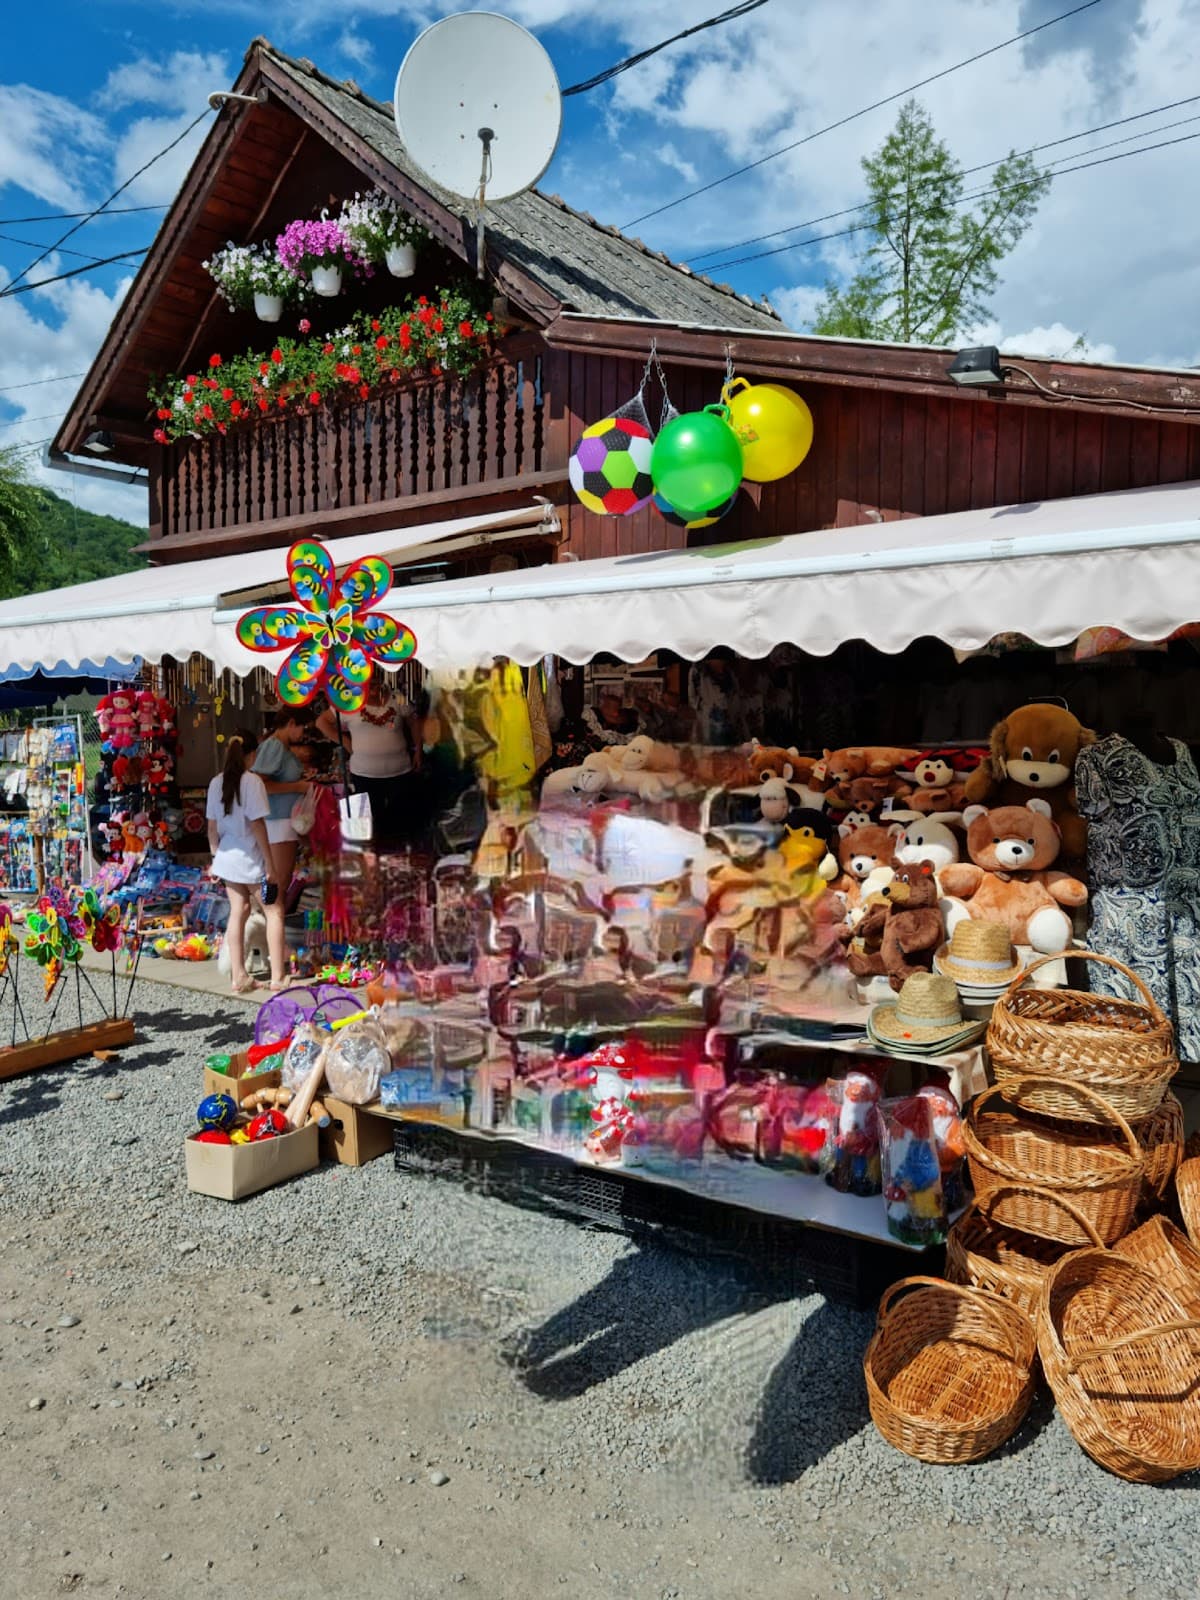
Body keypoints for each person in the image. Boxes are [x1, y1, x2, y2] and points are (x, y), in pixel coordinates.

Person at [206, 730, 278, 997]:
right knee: (274, 911)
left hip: (226, 857)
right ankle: (279, 975)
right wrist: (270, 863)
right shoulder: (252, 782)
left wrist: (214, 858)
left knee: (239, 911)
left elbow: (211, 827)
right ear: (252, 755)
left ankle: (238, 976)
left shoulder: (216, 783)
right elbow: (257, 824)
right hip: (250, 857)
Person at [315, 679, 425, 852]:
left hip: (400, 772)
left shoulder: (398, 698)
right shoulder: (348, 701)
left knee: (401, 821)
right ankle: (374, 863)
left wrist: (419, 749)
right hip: (365, 775)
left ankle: (400, 861)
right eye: (367, 683)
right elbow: (321, 722)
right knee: (368, 824)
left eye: (375, 683)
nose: (372, 687)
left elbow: (414, 721)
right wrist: (345, 742)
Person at [252, 707, 314, 987]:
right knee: (276, 890)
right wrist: (298, 786)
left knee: (278, 888)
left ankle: (274, 949)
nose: (303, 734)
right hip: (276, 822)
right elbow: (261, 786)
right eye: (301, 728)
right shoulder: (274, 746)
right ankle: (275, 953)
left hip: (282, 822)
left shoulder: (277, 746)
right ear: (291, 724)